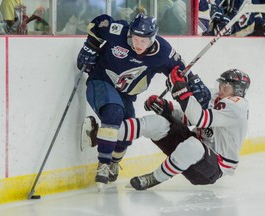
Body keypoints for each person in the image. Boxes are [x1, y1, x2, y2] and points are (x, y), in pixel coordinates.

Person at [77, 13, 208, 188]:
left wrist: (193, 83)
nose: (139, 44)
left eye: (144, 41)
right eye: (136, 39)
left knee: (127, 130)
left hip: (126, 95)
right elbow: (97, 24)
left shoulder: (163, 52)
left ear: (153, 38)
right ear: (131, 32)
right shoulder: (119, 32)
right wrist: (90, 45)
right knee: (113, 112)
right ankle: (103, 164)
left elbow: (180, 69)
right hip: (100, 81)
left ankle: (114, 162)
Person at [121, 68, 250, 190]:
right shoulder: (217, 96)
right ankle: (112, 133)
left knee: (193, 146)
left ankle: (154, 178)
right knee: (158, 123)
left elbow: (199, 119)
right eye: (220, 86)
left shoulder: (237, 106)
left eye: (225, 87)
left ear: (238, 90)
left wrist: (182, 94)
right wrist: (167, 108)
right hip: (190, 147)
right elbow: (189, 118)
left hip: (212, 168)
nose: (221, 90)